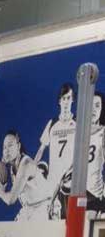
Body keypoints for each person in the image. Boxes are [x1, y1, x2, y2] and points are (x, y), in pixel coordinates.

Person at [0, 131, 49, 224]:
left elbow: (11, 199)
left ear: (19, 146)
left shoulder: (26, 164)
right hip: (28, 208)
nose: (7, 150)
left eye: (10, 145)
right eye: (4, 147)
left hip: (43, 208)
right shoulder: (12, 167)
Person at [35, 83, 76, 217]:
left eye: (68, 98)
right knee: (49, 216)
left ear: (73, 100)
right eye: (63, 98)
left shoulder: (78, 123)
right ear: (59, 101)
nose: (66, 101)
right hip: (53, 180)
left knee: (68, 218)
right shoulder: (52, 124)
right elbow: (41, 149)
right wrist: (33, 168)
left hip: (69, 180)